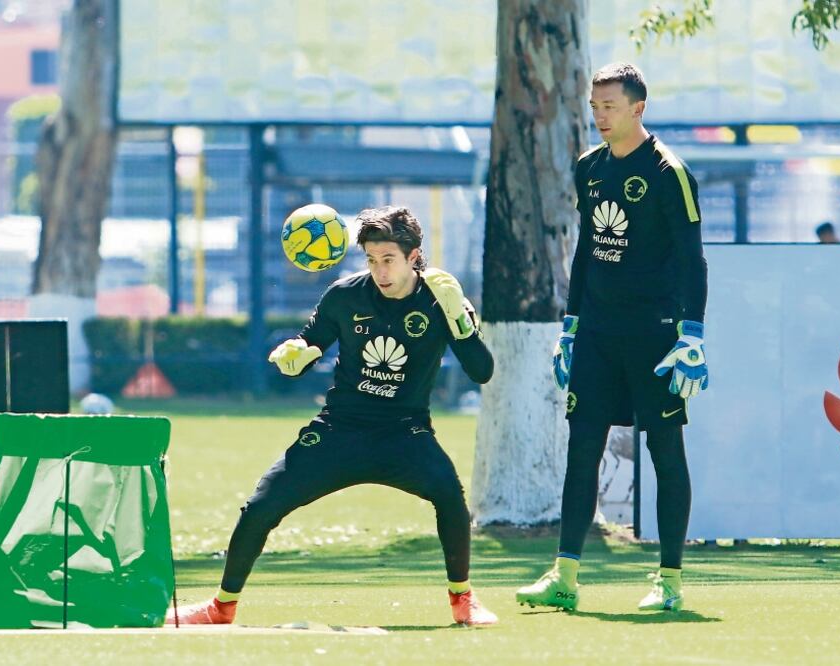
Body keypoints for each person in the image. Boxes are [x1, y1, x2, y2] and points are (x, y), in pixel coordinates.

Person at [168, 206, 498, 626]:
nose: (380, 271)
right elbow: (311, 343)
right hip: (339, 429)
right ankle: (221, 607)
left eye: (389, 260)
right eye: (372, 260)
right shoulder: (344, 295)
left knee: (450, 498)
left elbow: (482, 372)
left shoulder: (441, 298)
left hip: (405, 433)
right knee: (260, 506)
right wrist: (296, 356)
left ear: (414, 256)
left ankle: (462, 600)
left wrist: (461, 323)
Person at [515, 62, 709, 613]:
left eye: (610, 107)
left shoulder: (669, 172)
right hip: (598, 334)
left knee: (665, 451)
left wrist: (691, 333)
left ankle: (669, 581)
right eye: (595, 106)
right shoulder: (588, 168)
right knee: (582, 451)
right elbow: (585, 249)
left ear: (638, 108)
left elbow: (694, 261)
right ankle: (565, 577)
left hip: (655, 335)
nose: (599, 116)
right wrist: (570, 326)